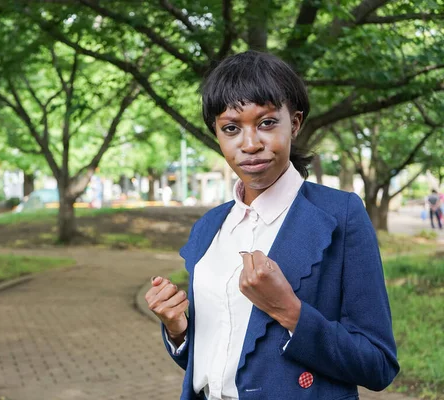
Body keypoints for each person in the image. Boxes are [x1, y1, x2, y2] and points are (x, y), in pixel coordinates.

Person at [145, 51, 399, 400]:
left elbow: (378, 364)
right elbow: (216, 365)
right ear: (217, 134)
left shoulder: (340, 215)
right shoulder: (209, 227)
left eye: (266, 123)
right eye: (231, 128)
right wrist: (178, 331)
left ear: (294, 123)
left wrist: (290, 311)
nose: (250, 144)